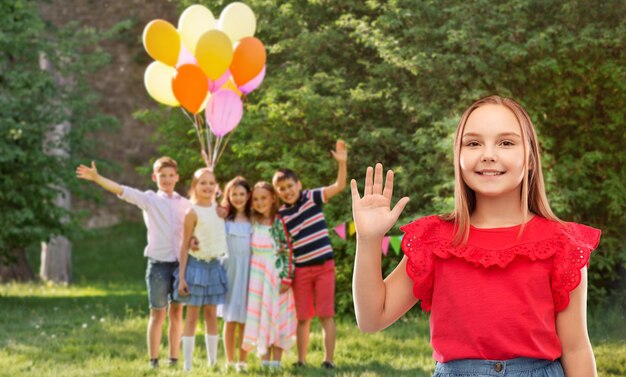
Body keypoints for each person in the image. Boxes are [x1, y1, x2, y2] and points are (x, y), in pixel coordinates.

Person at [351, 96, 600, 377]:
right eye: (473, 143)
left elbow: (576, 347)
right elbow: (372, 317)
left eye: (506, 142)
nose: (488, 154)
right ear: (458, 157)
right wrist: (369, 240)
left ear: (530, 158)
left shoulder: (561, 243)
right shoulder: (434, 240)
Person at [76, 157, 190, 369]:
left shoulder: (186, 204)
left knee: (177, 313)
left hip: (180, 266)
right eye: (162, 176)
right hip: (158, 264)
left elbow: (199, 221)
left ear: (177, 177)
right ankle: (153, 361)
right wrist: (97, 178)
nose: (166, 179)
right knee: (158, 313)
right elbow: (121, 190)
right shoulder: (149, 199)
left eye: (170, 175)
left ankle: (174, 359)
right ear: (154, 178)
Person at [272, 140, 347, 369]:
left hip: (324, 266)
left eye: (289, 186)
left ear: (299, 184)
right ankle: (301, 360)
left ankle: (328, 360)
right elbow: (283, 246)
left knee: (326, 314)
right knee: (303, 317)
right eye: (281, 189)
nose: (287, 191)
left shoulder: (312, 197)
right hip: (301, 270)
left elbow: (339, 186)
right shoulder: (281, 215)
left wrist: (342, 164)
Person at [174, 168, 228, 372]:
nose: (207, 187)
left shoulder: (219, 209)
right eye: (202, 183)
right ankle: (187, 365)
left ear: (216, 186)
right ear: (194, 186)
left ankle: (212, 363)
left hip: (214, 266)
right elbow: (184, 245)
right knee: (192, 316)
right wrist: (181, 278)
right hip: (196, 267)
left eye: (211, 183)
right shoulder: (192, 212)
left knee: (212, 315)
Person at [242, 182, 296, 370]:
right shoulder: (252, 221)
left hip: (276, 274)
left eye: (263, 198)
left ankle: (276, 362)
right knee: (261, 315)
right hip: (257, 276)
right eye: (255, 199)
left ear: (273, 198)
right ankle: (264, 360)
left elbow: (288, 250)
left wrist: (287, 277)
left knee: (276, 314)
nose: (259, 202)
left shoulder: (279, 222)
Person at [219, 176, 253, 372]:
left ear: (248, 195)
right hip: (230, 269)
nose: (238, 198)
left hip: (249, 270)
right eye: (234, 194)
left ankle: (243, 360)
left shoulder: (253, 219)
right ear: (228, 196)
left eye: (242, 194)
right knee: (230, 317)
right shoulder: (224, 219)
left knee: (246, 318)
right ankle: (230, 360)